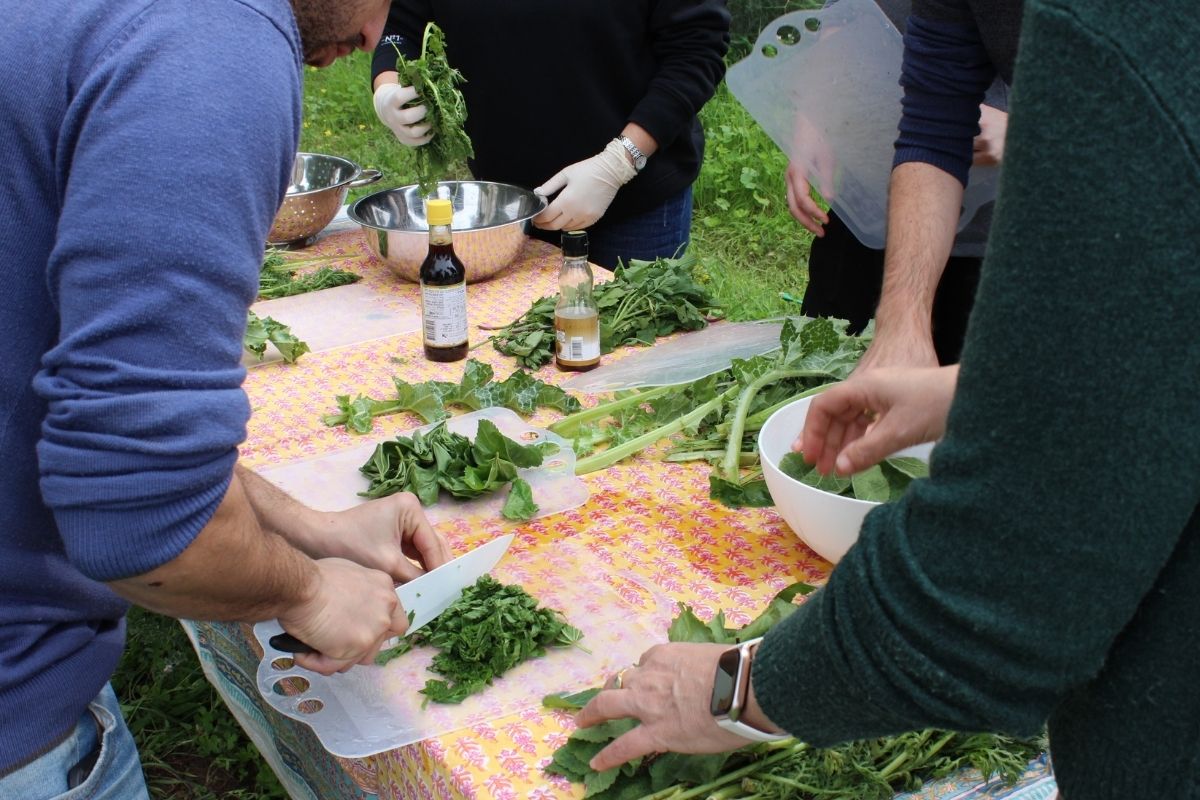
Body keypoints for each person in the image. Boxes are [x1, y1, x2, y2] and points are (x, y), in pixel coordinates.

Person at [571, 0, 1200, 797]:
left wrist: (739, 690)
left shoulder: (1126, 40)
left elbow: (1006, 582)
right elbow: (935, 112)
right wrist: (953, 378)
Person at [0, 0, 453, 796]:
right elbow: (135, 507)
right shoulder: (211, 41)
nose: (375, 38)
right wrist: (308, 589)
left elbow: (76, 398)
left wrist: (311, 527)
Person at [369, 0, 731, 271]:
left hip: (632, 201)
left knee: (628, 345)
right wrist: (387, 90)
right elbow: (399, 26)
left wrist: (619, 162)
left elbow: (696, 52)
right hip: (504, 206)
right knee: (509, 342)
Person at [789, 0, 1020, 369]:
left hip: (1007, 230)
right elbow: (935, 118)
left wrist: (1029, 130)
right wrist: (817, 110)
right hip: (869, 207)